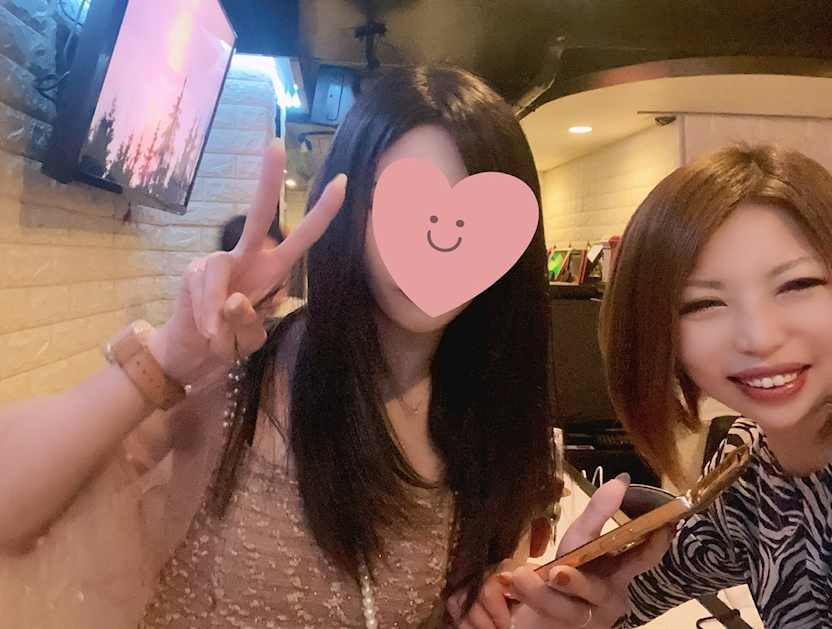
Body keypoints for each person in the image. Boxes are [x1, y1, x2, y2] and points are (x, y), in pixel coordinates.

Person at [0, 66, 670, 629]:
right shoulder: (243, 379)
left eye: (473, 220)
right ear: (349, 212)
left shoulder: (489, 420)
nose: (439, 240)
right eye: (405, 207)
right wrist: (168, 358)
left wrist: (520, 609)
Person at [599, 145, 832, 628]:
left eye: (797, 285)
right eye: (703, 304)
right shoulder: (747, 467)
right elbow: (630, 596)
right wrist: (570, 599)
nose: (760, 338)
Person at [218, 212, 305, 317]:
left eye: (278, 275)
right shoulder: (215, 319)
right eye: (257, 275)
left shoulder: (300, 315)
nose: (273, 298)